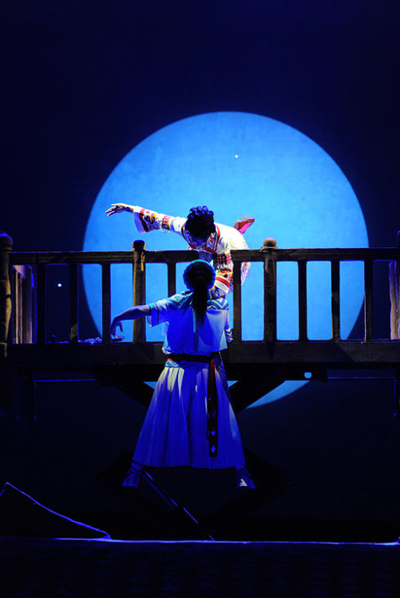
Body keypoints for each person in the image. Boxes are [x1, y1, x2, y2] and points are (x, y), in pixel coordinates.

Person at [111, 259, 255, 489]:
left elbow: (141, 310)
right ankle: (242, 473)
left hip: (175, 373)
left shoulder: (176, 302)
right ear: (210, 282)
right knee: (222, 421)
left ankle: (134, 472)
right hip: (206, 373)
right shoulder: (220, 304)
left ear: (187, 281)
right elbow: (226, 333)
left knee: (158, 418)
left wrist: (118, 317)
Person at [106, 203, 254, 297]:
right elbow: (157, 218)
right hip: (209, 250)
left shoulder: (222, 240)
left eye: (200, 240)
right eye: (194, 239)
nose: (196, 243)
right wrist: (127, 208)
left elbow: (225, 271)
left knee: (219, 290)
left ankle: (224, 327)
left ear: (209, 235)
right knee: (198, 266)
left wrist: (210, 292)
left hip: (233, 243)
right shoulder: (182, 227)